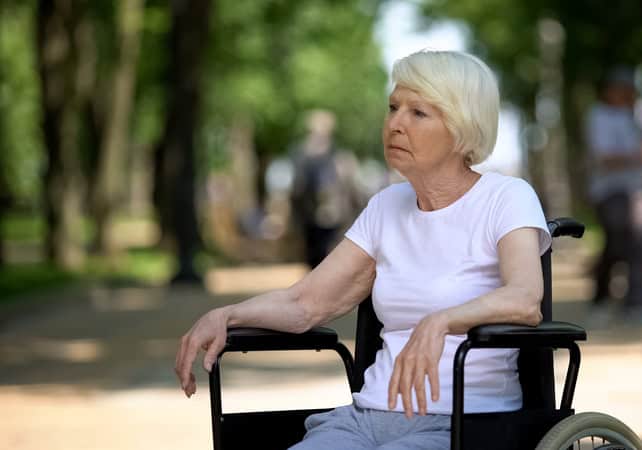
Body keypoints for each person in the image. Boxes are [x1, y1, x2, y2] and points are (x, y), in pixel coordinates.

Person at [175, 50, 552, 450]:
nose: (395, 123)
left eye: (418, 113)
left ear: (461, 127)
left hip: (463, 426)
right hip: (364, 419)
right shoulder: (386, 207)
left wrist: (442, 321)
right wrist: (227, 315)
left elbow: (525, 299)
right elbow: (305, 303)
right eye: (393, 108)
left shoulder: (505, 197)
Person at [585, 68, 642, 318]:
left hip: (637, 188)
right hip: (608, 190)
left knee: (641, 240)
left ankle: (637, 301)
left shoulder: (636, 117)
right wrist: (640, 156)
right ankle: (602, 295)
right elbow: (604, 158)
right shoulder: (598, 116)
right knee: (616, 239)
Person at [290, 110, 360, 268]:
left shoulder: (340, 156)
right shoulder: (300, 155)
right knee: (312, 257)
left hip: (333, 216)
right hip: (308, 215)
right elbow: (296, 190)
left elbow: (351, 189)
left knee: (329, 255)